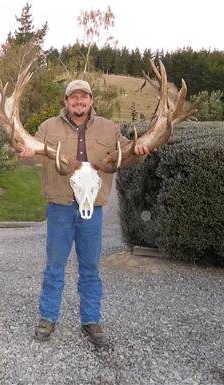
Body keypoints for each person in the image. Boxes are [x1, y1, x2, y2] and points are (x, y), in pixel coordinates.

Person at [18, 79, 150, 347]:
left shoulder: (109, 128)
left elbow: (128, 155)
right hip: (60, 207)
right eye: (73, 98)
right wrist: (25, 153)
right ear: (65, 102)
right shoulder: (48, 127)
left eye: (84, 98)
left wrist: (141, 152)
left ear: (91, 100)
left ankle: (91, 320)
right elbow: (32, 153)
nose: (79, 102)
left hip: (93, 209)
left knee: (90, 268)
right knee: (54, 267)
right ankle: (48, 317)